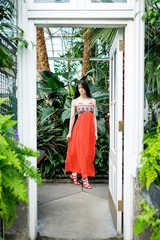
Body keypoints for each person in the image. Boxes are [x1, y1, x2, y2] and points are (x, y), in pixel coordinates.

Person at [65, 79, 98, 189]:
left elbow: (94, 117)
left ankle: (74, 174)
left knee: (87, 153)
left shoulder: (92, 101)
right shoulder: (75, 101)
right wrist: (70, 132)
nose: (81, 90)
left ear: (86, 88)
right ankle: (84, 178)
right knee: (81, 153)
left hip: (89, 131)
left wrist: (96, 132)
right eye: (79, 88)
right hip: (79, 131)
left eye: (82, 87)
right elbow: (72, 117)